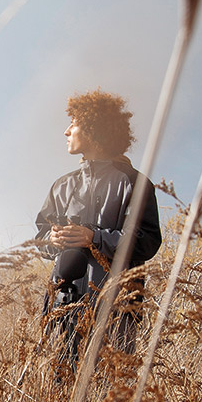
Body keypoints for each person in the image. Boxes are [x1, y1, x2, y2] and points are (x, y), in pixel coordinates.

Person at [35, 89, 161, 369]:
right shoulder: (62, 185)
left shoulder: (134, 182)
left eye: (73, 124)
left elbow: (148, 240)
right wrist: (52, 239)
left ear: (93, 129)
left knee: (109, 387)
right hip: (65, 305)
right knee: (62, 386)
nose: (66, 131)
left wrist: (95, 238)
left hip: (116, 308)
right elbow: (41, 236)